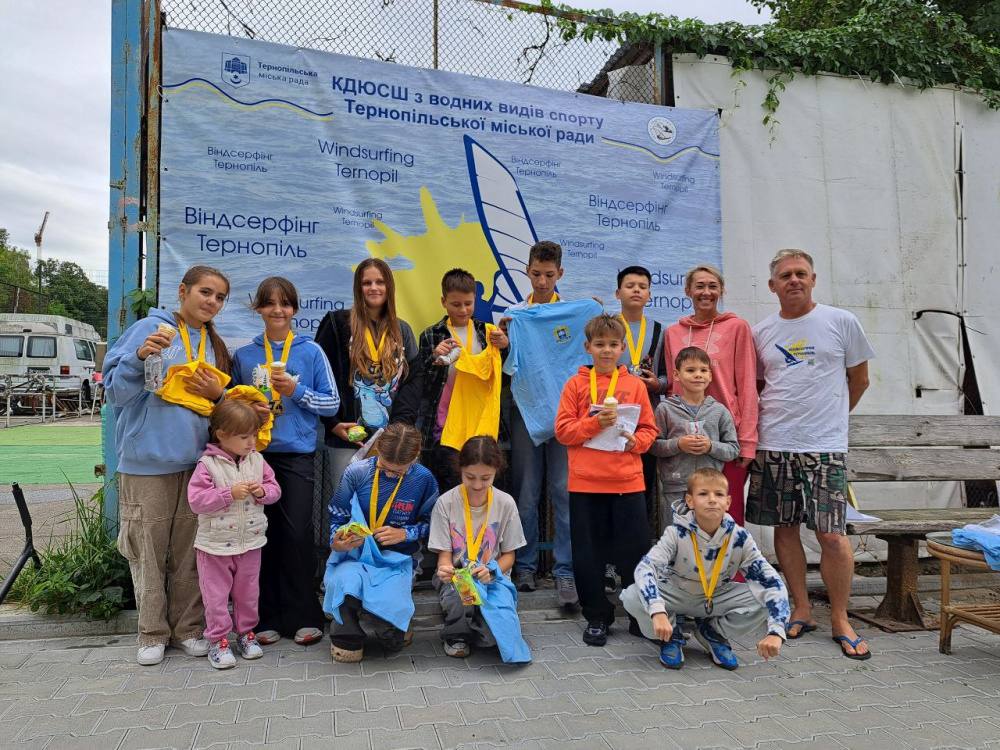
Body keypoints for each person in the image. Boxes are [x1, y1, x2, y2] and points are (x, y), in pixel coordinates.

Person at [747, 248, 874, 659]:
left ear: (814, 279)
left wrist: (831, 419)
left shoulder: (841, 322)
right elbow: (761, 387)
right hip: (775, 444)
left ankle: (840, 617)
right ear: (773, 286)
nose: (794, 280)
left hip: (824, 448)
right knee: (783, 530)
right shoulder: (762, 332)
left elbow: (860, 379)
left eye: (801, 273)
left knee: (831, 535)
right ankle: (801, 608)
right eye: (785, 276)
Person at [103, 264, 232, 665]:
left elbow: (220, 412)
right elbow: (114, 393)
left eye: (220, 297)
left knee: (191, 552)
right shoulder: (149, 328)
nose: (211, 302)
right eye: (205, 292)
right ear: (183, 291)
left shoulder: (214, 344)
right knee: (148, 552)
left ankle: (189, 628)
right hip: (147, 464)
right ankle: (151, 633)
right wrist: (138, 359)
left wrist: (219, 394)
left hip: (196, 465)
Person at [230, 277, 340, 647]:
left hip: (296, 454)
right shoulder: (245, 356)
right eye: (270, 303)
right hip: (254, 457)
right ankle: (264, 616)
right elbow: (229, 407)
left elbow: (333, 404)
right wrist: (249, 408)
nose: (278, 310)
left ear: (294, 309)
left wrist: (298, 391)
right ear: (258, 308)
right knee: (261, 536)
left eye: (285, 303)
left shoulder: (310, 353)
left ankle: (304, 614)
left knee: (295, 535)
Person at [554, 314, 658, 646]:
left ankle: (639, 614)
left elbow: (649, 431)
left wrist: (637, 443)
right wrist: (594, 425)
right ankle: (597, 616)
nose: (607, 351)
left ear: (623, 348)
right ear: (587, 347)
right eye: (600, 345)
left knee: (636, 553)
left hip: (627, 482)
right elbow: (563, 431)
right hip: (586, 484)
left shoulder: (635, 385)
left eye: (613, 345)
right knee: (588, 554)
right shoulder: (574, 385)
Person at [621, 468, 789, 670]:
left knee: (763, 599)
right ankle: (670, 635)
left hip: (715, 595)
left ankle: (712, 632)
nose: (712, 500)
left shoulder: (740, 538)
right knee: (632, 596)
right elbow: (645, 568)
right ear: (689, 501)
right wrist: (657, 611)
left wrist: (776, 632)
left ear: (728, 502)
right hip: (676, 593)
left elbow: (771, 582)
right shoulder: (675, 533)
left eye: (718, 494)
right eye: (703, 494)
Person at [503, 240, 578, 607]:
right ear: (527, 271)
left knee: (564, 491)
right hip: (526, 410)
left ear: (560, 273)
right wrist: (502, 341)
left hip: (565, 413)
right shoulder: (514, 314)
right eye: (536, 274)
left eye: (549, 275)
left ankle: (566, 570)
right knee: (527, 492)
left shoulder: (574, 314)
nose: (543, 281)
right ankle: (526, 565)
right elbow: (504, 362)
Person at [324, 423, 439, 662]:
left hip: (397, 559)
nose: (389, 474)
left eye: (398, 473)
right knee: (346, 583)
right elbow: (337, 514)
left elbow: (433, 524)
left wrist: (405, 534)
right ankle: (347, 635)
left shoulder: (424, 479)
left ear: (415, 458)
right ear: (377, 449)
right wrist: (338, 539)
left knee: (392, 640)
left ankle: (392, 624)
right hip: (355, 556)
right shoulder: (357, 472)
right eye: (385, 466)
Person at [188, 400, 281, 669]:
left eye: (254, 435)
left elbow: (275, 491)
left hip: (250, 543)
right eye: (244, 437)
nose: (251, 442)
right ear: (222, 435)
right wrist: (228, 494)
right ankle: (217, 641)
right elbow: (196, 501)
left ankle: (246, 634)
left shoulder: (257, 460)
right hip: (214, 546)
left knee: (248, 593)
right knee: (215, 597)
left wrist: (263, 492)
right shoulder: (207, 464)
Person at [663, 265, 758, 524]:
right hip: (686, 441)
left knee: (727, 514)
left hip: (726, 438)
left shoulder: (737, 327)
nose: (706, 292)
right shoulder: (673, 333)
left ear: (722, 290)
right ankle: (688, 565)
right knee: (686, 517)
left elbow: (748, 385)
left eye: (712, 286)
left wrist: (748, 441)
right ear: (688, 291)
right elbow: (673, 386)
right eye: (700, 286)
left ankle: (729, 566)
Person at [315, 258, 421, 484]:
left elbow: (413, 383)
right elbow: (320, 375)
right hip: (348, 437)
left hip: (392, 441)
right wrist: (332, 423)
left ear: (389, 287)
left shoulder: (402, 330)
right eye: (367, 283)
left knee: (388, 507)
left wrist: (399, 428)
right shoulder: (337, 324)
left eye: (380, 282)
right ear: (358, 288)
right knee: (348, 506)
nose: (373, 287)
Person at [428, 435, 530, 662]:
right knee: (459, 595)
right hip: (458, 576)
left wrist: (492, 571)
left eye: (486, 478)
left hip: (493, 576)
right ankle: (456, 634)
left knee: (497, 638)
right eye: (469, 477)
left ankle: (479, 624)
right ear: (460, 469)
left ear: (496, 471)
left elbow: (509, 555)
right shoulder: (446, 502)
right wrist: (444, 569)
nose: (476, 485)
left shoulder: (505, 503)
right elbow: (444, 557)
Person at [415, 268, 508, 491]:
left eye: (468, 303)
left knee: (480, 492)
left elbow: (502, 377)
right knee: (448, 491)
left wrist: (506, 347)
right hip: (444, 426)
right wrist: (434, 358)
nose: (463, 310)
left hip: (481, 426)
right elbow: (423, 383)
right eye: (456, 304)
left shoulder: (488, 333)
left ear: (475, 299)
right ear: (443, 301)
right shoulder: (431, 335)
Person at [648, 346, 739, 528]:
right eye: (690, 370)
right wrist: (678, 444)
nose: (698, 375)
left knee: (708, 540)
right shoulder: (665, 409)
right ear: (676, 375)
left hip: (710, 490)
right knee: (676, 538)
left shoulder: (719, 411)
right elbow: (653, 446)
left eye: (703, 370)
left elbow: (733, 450)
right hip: (676, 487)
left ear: (710, 375)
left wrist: (711, 446)